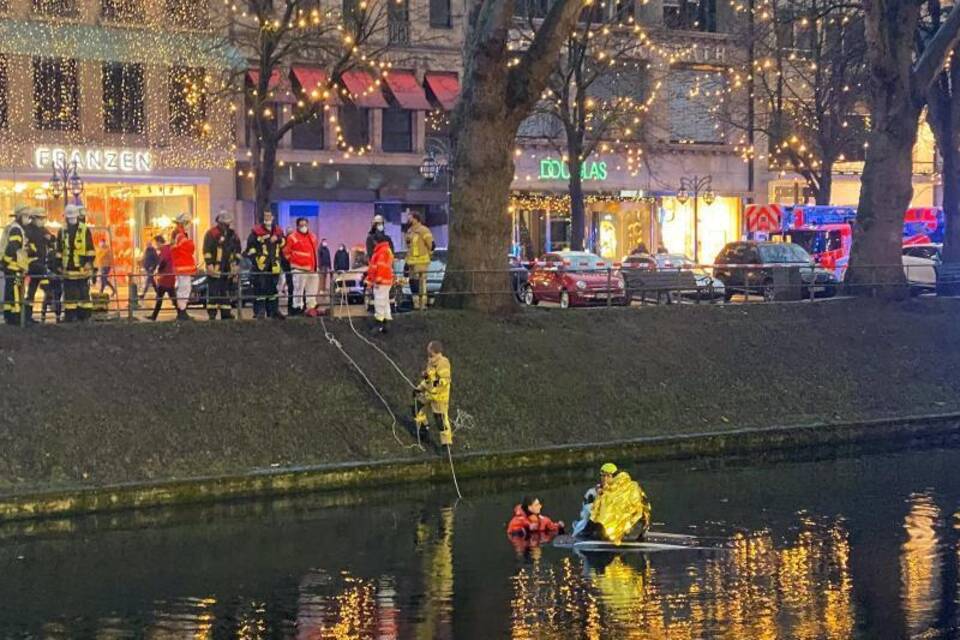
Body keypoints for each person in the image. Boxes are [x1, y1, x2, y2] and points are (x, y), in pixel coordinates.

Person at [573, 463, 652, 543]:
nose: (605, 478)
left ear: (615, 476)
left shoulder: (624, 489)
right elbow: (587, 512)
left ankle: (639, 532)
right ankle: (587, 533)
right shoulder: (594, 492)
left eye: (608, 476)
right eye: (602, 475)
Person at [56, 204, 95, 322]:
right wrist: (58, 265)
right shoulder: (62, 231)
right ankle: (71, 315)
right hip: (68, 267)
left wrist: (89, 262)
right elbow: (59, 250)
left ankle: (84, 315)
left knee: (83, 292)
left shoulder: (84, 229)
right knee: (70, 293)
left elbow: (90, 248)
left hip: (82, 267)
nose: (72, 219)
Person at [245, 210, 286, 319]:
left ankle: (273, 311)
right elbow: (250, 248)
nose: (267, 218)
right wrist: (256, 260)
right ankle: (260, 311)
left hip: (274, 265)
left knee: (273, 289)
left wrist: (278, 239)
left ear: (273, 217)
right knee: (260, 289)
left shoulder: (278, 231)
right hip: (261, 265)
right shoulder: (256, 231)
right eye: (265, 216)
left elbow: (284, 244)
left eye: (269, 216)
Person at [202, 210, 242, 320]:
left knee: (225, 291)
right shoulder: (211, 234)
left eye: (228, 223)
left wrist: (237, 264)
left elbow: (238, 250)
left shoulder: (233, 235)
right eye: (224, 223)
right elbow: (207, 250)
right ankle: (212, 314)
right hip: (215, 267)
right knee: (214, 291)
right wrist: (209, 264)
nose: (226, 225)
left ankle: (226, 313)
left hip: (228, 267)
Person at [413, 340, 453, 446]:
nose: (427, 350)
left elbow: (444, 381)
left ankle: (446, 443)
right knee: (417, 407)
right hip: (428, 394)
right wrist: (419, 388)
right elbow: (428, 380)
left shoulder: (443, 363)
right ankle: (423, 429)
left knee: (440, 421)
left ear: (434, 351)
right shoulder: (431, 362)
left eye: (429, 348)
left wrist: (433, 384)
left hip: (439, 398)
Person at [283, 217, 321, 317]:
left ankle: (311, 308)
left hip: (312, 268)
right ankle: (297, 308)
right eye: (301, 225)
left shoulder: (312, 236)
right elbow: (286, 252)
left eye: (305, 224)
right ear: (297, 226)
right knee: (298, 290)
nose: (303, 227)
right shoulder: (292, 237)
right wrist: (294, 261)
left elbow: (313, 252)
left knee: (312, 289)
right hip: (299, 268)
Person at [2, 206, 29, 325]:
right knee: (16, 291)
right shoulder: (17, 230)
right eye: (26, 216)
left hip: (12, 268)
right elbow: (13, 247)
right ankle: (16, 316)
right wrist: (7, 262)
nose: (27, 219)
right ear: (20, 216)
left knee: (11, 291)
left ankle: (10, 315)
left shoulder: (13, 227)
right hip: (14, 268)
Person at [23, 208, 51, 325]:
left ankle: (28, 316)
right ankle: (25, 316)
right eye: (40, 218)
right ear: (34, 218)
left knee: (33, 291)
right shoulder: (28, 230)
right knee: (29, 292)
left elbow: (50, 239)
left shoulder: (42, 230)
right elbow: (26, 246)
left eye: (43, 218)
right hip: (32, 265)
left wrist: (51, 238)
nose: (42, 221)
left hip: (40, 264)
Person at [405, 212, 434, 310]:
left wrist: (430, 254)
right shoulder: (409, 231)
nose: (408, 220)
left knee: (421, 283)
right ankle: (416, 304)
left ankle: (423, 304)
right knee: (413, 282)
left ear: (416, 219)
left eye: (410, 218)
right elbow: (409, 248)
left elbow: (431, 245)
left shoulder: (424, 230)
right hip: (411, 263)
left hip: (421, 262)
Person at [169, 213, 196, 321]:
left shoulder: (178, 234)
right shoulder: (180, 235)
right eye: (188, 223)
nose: (189, 225)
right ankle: (182, 312)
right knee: (184, 289)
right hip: (183, 266)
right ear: (184, 223)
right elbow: (189, 247)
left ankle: (182, 311)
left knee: (183, 288)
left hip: (182, 266)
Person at [367, 236, 394, 333]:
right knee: (385, 302)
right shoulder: (386, 250)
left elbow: (378, 267)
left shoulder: (381, 252)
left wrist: (375, 280)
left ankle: (378, 323)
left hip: (381, 281)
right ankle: (386, 323)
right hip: (386, 280)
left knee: (379, 301)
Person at [149, 236, 176, 321]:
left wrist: (158, 269)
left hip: (165, 277)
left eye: (156, 243)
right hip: (167, 277)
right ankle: (181, 313)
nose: (156, 246)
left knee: (161, 297)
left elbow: (163, 262)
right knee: (170, 296)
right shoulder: (166, 249)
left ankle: (154, 316)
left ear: (160, 242)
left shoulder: (165, 250)